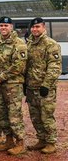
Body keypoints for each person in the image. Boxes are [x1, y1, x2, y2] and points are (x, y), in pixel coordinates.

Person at [0, 16, 27, 155]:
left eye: (6, 25)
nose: (3, 28)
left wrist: (0, 77)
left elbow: (18, 66)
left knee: (14, 115)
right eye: (1, 26)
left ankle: (20, 143)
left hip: (12, 85)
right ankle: (9, 140)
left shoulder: (19, 43)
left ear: (11, 27)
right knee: (1, 114)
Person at [26, 17, 62, 154]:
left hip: (45, 88)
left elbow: (54, 67)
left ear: (43, 27)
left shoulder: (50, 44)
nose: (35, 29)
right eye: (33, 27)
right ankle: (41, 140)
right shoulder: (29, 44)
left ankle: (51, 142)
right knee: (35, 117)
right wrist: (25, 84)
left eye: (38, 27)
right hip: (31, 87)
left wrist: (46, 85)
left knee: (46, 117)